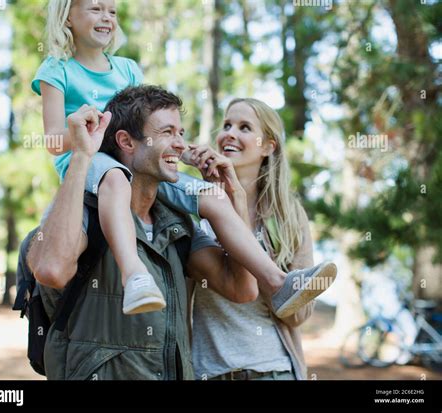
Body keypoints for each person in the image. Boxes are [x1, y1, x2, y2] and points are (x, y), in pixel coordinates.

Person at [34, 0, 331, 317]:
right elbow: (53, 140)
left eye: (112, 11)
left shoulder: (127, 68)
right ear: (67, 17)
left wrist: (186, 153)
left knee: (213, 196)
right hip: (95, 161)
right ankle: (134, 274)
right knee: (117, 180)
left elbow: (149, 131)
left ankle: (278, 280)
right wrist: (86, 128)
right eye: (95, 9)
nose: (106, 17)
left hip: (137, 161)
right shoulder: (57, 69)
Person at [187, 98, 333, 380]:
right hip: (210, 371)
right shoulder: (197, 208)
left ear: (268, 146)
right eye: (227, 124)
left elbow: (299, 316)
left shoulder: (289, 215)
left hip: (273, 369)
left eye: (244, 127)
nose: (230, 133)